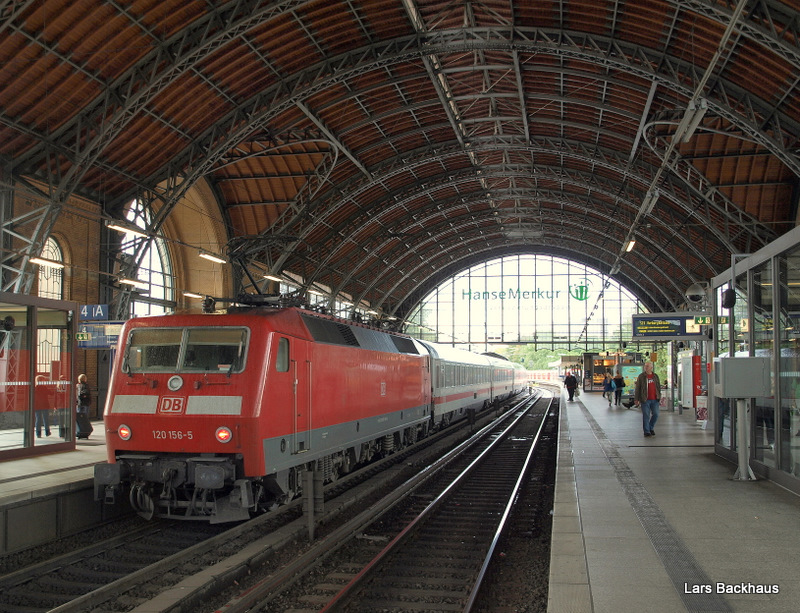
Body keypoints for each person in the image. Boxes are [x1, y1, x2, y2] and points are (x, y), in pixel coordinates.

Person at [634, 362, 661, 437]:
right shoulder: (641, 376)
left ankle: (650, 427)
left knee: (656, 414)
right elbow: (638, 388)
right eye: (645, 366)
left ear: (651, 367)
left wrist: (659, 396)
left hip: (655, 399)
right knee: (646, 415)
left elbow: (658, 387)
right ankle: (646, 431)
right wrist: (636, 399)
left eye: (647, 366)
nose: (646, 367)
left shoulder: (655, 376)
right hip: (645, 399)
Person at [76, 373, 93, 439]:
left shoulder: (77, 386)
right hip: (85, 403)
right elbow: (86, 394)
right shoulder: (86, 386)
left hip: (79, 404)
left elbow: (78, 395)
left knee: (79, 418)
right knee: (85, 418)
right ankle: (84, 431)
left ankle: (79, 430)